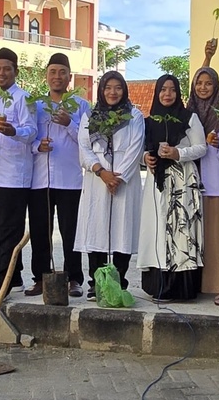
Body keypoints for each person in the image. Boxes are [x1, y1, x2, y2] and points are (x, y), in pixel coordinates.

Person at [77, 71, 146, 296]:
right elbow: (84, 148)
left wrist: (118, 177)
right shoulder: (90, 116)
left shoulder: (133, 116)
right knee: (96, 230)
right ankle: (95, 284)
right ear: (101, 90)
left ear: (124, 90)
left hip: (123, 182)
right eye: (108, 87)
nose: (112, 92)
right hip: (97, 181)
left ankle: (118, 282)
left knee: (121, 231)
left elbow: (136, 148)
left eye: (117, 87)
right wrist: (101, 172)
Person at [139, 74, 207, 300]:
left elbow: (201, 147)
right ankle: (158, 286)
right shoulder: (148, 121)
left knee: (181, 231)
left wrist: (180, 153)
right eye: (163, 90)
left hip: (183, 182)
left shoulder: (189, 118)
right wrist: (146, 158)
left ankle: (181, 288)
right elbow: (142, 150)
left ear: (178, 94)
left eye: (172, 90)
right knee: (158, 229)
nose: (167, 94)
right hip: (156, 183)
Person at [30, 52, 89, 298]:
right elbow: (28, 136)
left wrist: (69, 124)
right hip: (40, 179)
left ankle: (74, 278)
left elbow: (87, 141)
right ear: (46, 77)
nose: (57, 77)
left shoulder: (82, 106)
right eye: (52, 72)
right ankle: (41, 278)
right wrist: (37, 146)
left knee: (71, 232)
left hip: (69, 179)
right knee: (40, 231)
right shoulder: (36, 105)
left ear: (69, 77)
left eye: (62, 72)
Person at [0, 48, 36, 298]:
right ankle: (15, 277)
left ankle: (1, 281)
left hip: (15, 176)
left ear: (16, 71)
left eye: (6, 68)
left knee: (8, 230)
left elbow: (31, 132)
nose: (1, 73)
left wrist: (13, 131)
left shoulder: (24, 99)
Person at [186, 67, 219, 305]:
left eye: (208, 83)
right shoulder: (189, 110)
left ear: (216, 85)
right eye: (199, 83)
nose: (203, 88)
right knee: (197, 236)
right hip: (191, 181)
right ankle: (197, 283)